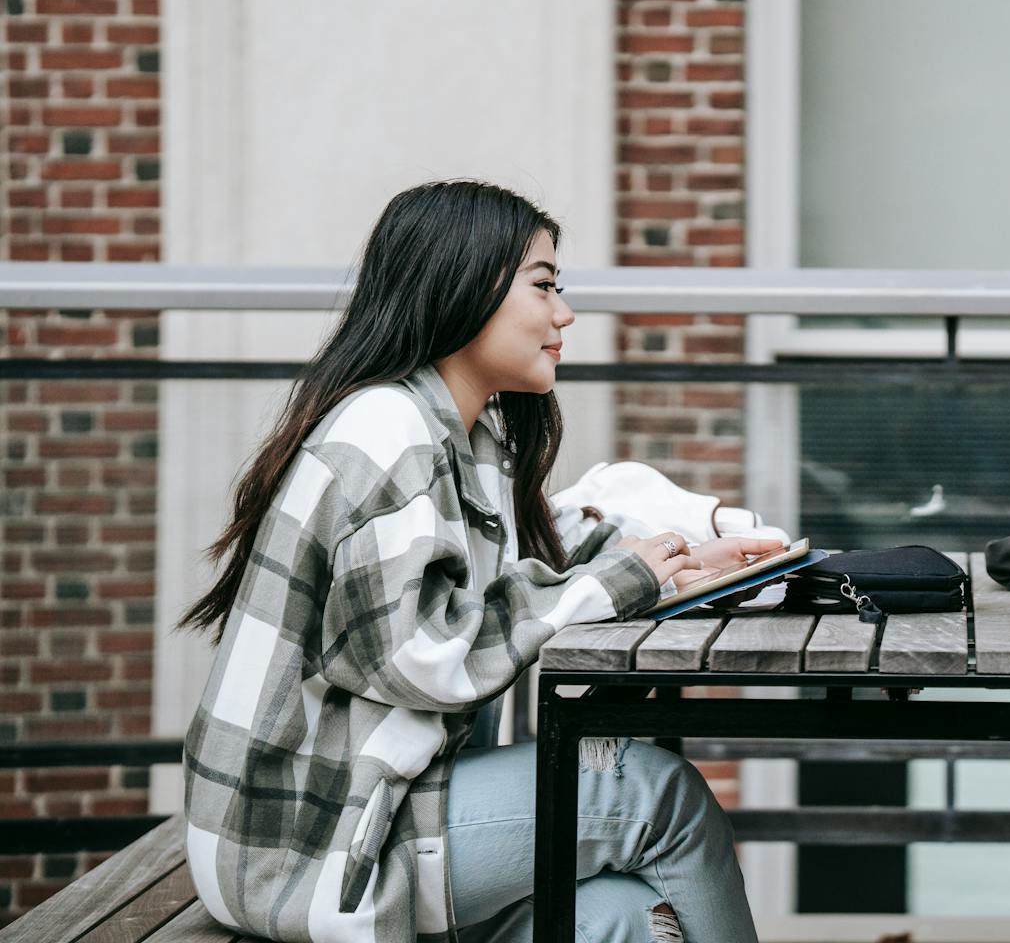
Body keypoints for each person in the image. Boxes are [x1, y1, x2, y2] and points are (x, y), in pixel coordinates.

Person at [179, 180, 776, 943]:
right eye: (545, 286)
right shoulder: (386, 431)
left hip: (367, 808)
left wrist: (677, 559)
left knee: (624, 919)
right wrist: (627, 578)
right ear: (465, 285)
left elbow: (523, 564)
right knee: (658, 797)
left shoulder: (469, 433)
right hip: (305, 844)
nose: (565, 314)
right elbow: (420, 653)